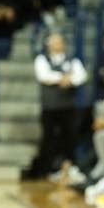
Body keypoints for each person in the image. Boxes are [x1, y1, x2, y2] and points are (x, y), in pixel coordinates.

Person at [33, 33, 87, 182]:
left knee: (69, 138)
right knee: (48, 138)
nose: (56, 45)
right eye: (53, 43)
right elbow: (43, 76)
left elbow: (81, 76)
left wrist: (70, 79)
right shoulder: (42, 59)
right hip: (50, 107)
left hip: (68, 106)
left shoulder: (73, 60)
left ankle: (68, 168)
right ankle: (47, 170)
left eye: (59, 42)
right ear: (48, 45)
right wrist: (63, 77)